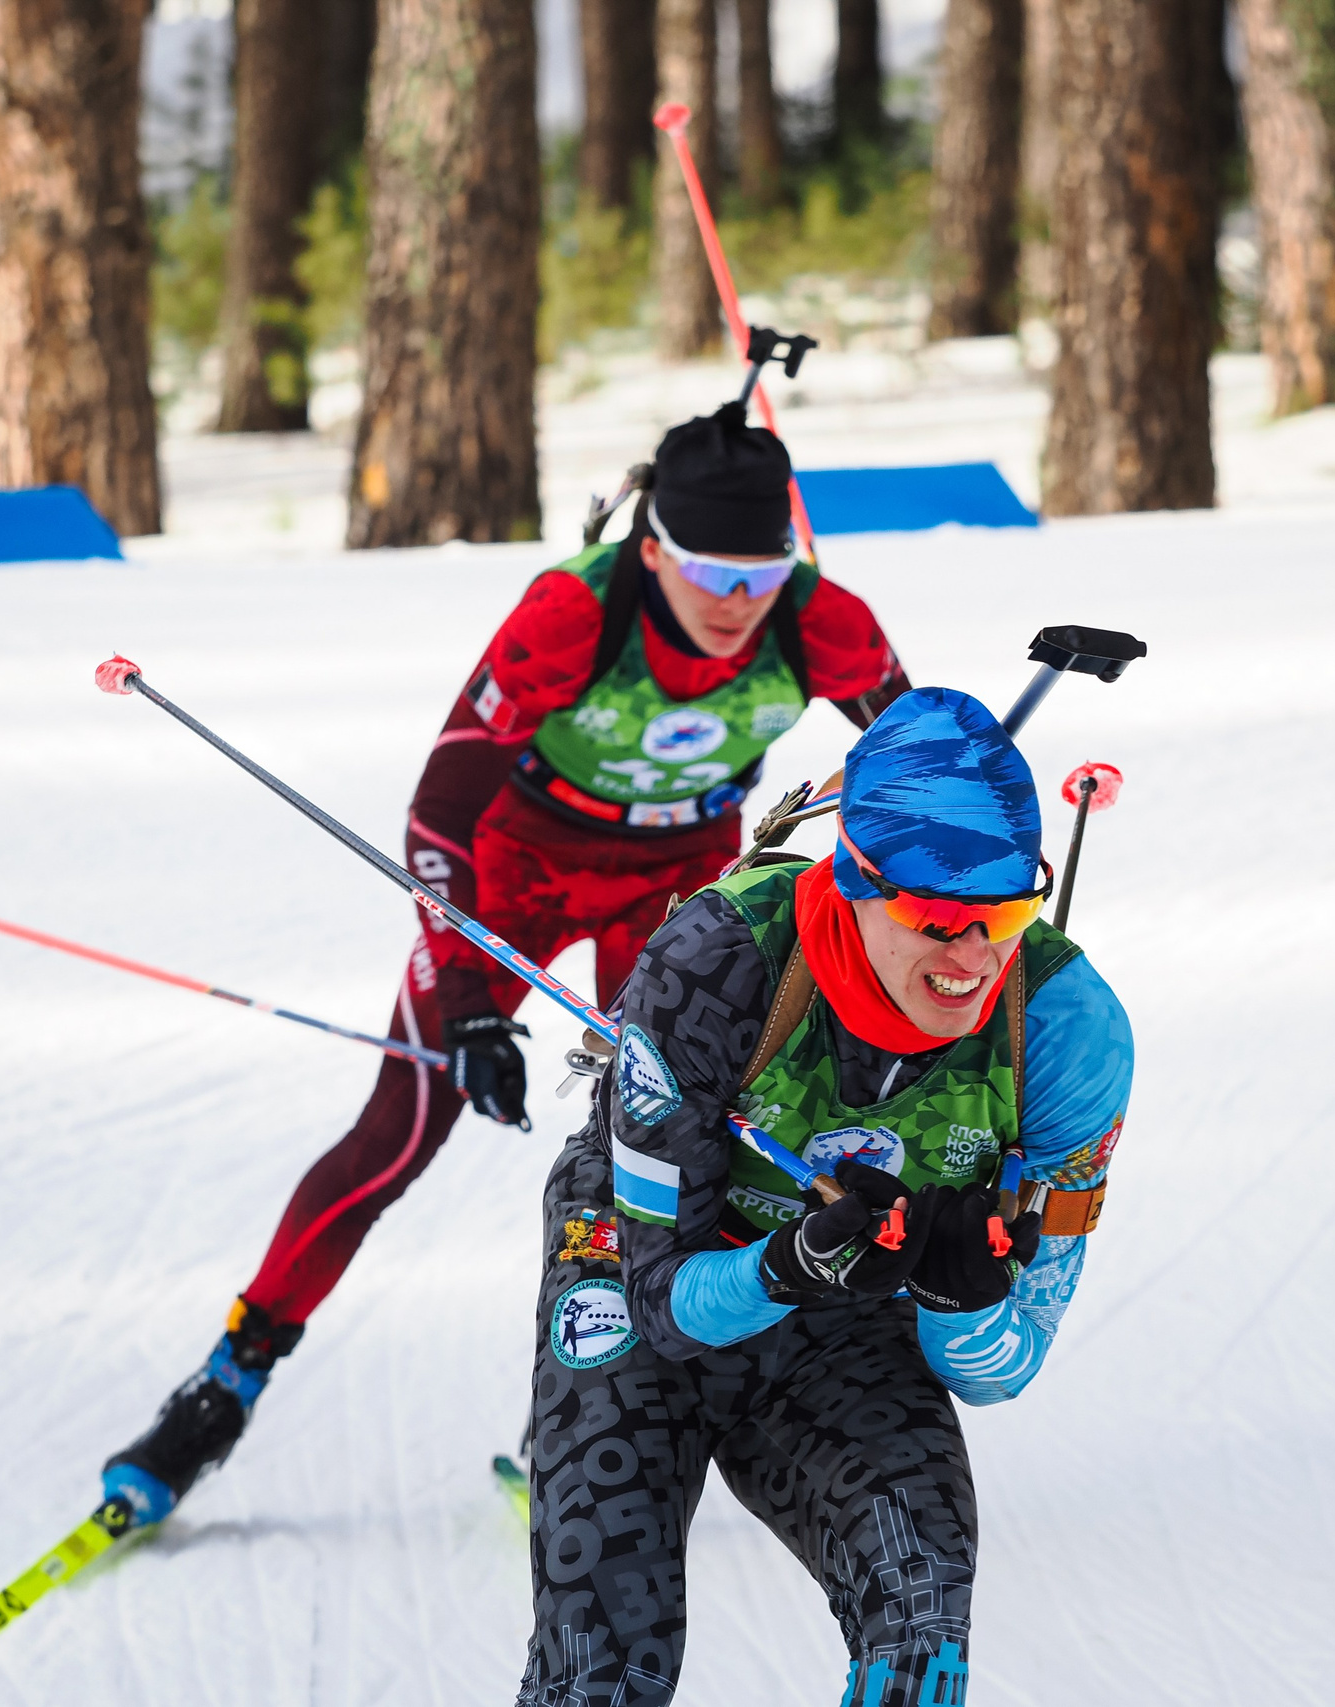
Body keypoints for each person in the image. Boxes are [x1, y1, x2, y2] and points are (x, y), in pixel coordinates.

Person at [99, 405, 911, 1526]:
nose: (736, 603)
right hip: (513, 864)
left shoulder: (823, 622)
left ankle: (592, 1396)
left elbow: (917, 776)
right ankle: (226, 1381)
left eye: (761, 571)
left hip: (671, 882)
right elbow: (438, 813)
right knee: (404, 1123)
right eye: (709, 571)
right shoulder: (573, 613)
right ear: (651, 548)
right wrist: (475, 1004)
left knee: (661, 1144)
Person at [516, 687, 1134, 1706]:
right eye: (938, 918)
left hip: (836, 1317)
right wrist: (787, 1262)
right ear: (853, 882)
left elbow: (1001, 1372)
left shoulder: (1068, 1030)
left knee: (924, 1609)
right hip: (644, 1275)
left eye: (1006, 915)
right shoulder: (713, 966)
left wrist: (959, 1292)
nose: (973, 959)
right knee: (607, 1664)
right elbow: (669, 1309)